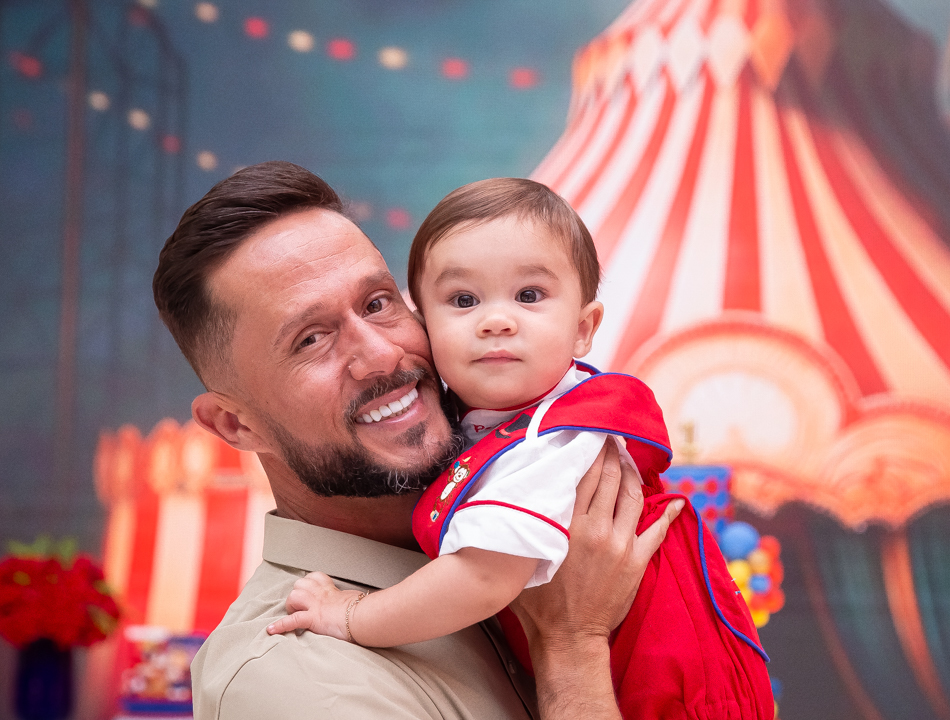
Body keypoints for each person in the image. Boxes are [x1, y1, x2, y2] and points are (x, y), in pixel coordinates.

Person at [152, 161, 682, 719]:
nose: (382, 355)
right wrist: (572, 644)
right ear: (237, 425)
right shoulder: (293, 679)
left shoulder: (522, 493)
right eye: (311, 339)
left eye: (378, 303)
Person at [268, 178, 774, 720]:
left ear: (583, 329)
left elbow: (482, 579)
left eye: (529, 296)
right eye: (463, 300)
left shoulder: (552, 441)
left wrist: (350, 616)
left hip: (672, 693)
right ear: (423, 325)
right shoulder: (494, 422)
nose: (496, 320)